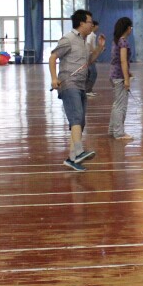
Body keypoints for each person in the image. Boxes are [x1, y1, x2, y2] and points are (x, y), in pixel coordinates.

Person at [49, 9, 106, 172]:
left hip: (81, 84)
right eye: (90, 22)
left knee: (80, 121)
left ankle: (72, 158)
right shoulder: (68, 39)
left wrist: (100, 48)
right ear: (81, 23)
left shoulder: (84, 41)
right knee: (76, 117)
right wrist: (54, 78)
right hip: (69, 83)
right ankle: (79, 151)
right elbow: (53, 57)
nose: (92, 25)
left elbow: (89, 61)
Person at [109, 17, 135, 141]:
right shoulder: (123, 42)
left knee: (116, 104)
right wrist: (126, 79)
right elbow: (123, 61)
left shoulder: (116, 41)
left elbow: (119, 60)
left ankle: (112, 129)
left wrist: (128, 73)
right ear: (128, 28)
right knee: (121, 106)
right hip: (119, 77)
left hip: (114, 75)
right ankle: (119, 133)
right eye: (131, 27)